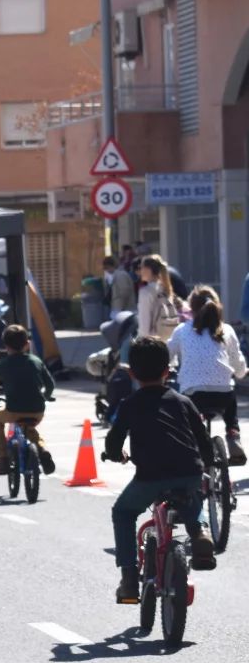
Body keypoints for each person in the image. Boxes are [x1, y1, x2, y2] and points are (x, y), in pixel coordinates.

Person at [104, 335, 215, 603]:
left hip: (150, 475)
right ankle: (199, 533)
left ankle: (130, 578)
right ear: (168, 371)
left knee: (123, 512)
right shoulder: (183, 401)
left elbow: (114, 439)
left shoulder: (129, 404)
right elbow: (202, 439)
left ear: (132, 373)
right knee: (191, 494)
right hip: (188, 469)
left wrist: (114, 454)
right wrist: (207, 464)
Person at [167, 287, 247, 466]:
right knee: (230, 393)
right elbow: (237, 362)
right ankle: (233, 434)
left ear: (192, 309)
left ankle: (190, 450)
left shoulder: (182, 330)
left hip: (193, 395)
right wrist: (242, 373)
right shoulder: (226, 330)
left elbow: (167, 353)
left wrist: (168, 369)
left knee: (187, 419)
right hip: (222, 395)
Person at [0, 323, 56, 476]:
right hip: (37, 411)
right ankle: (42, 450)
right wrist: (45, 397)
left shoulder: (3, 364)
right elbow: (50, 385)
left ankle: (3, 459)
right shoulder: (36, 361)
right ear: (27, 344)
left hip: (13, 410)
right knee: (30, 429)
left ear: (5, 346)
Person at [136, 255, 182, 341]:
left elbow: (144, 326)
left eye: (141, 267)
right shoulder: (167, 289)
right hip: (169, 340)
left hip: (153, 343)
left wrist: (140, 343)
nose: (140, 271)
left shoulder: (146, 292)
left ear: (148, 270)